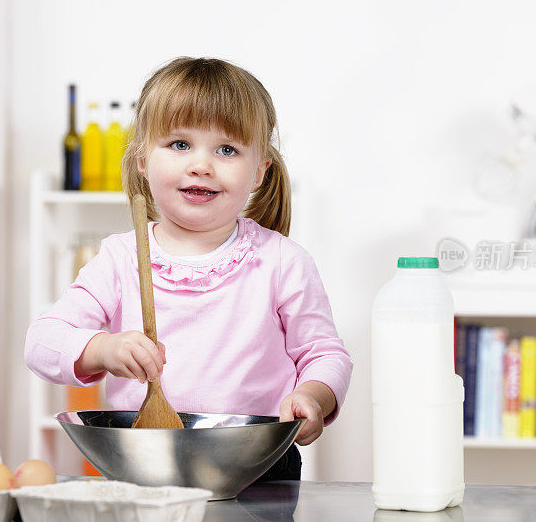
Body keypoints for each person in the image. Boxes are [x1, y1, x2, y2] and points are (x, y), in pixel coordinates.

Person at [25, 57, 353, 480]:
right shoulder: (120, 259)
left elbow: (326, 354)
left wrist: (312, 396)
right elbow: (41, 342)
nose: (201, 165)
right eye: (180, 145)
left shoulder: (283, 262)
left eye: (227, 149)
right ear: (142, 159)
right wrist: (104, 350)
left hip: (257, 467)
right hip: (142, 463)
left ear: (259, 171)